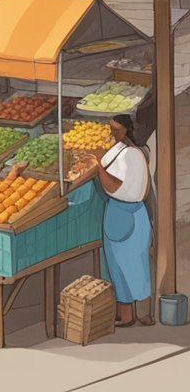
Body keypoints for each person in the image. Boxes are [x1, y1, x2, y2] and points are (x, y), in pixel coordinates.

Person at [74, 114, 154, 327]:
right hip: (121, 214)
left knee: (131, 265)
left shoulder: (131, 156)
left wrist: (98, 169)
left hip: (127, 214)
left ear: (126, 130)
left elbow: (116, 187)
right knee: (118, 266)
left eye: (116, 130)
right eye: (111, 129)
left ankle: (139, 314)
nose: (112, 133)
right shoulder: (119, 149)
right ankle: (127, 314)